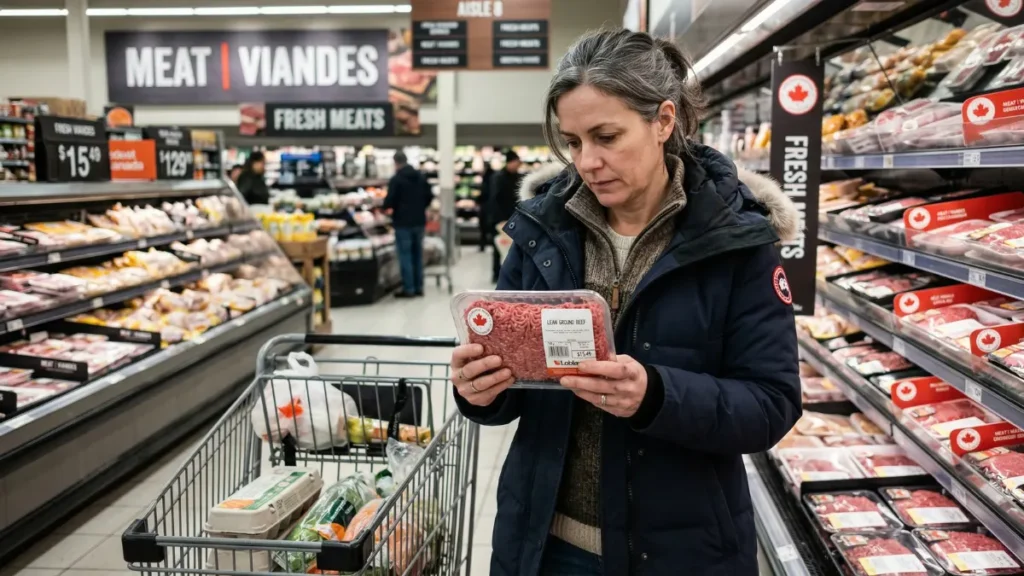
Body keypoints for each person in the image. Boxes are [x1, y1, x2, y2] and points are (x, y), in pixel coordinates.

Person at [450, 28, 801, 576]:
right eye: (573, 142)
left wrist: (656, 395)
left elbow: (771, 404)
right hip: (543, 545)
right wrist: (482, 390)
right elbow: (515, 389)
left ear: (663, 121)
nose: (587, 161)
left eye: (606, 136)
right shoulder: (543, 232)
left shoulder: (738, 242)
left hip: (681, 553)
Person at [384, 150, 432, 298]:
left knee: (405, 255)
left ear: (396, 162)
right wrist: (421, 207)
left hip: (403, 222)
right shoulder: (420, 177)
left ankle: (409, 288)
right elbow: (429, 196)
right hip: (419, 221)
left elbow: (389, 201)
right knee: (418, 254)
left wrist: (386, 208)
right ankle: (419, 287)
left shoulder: (396, 179)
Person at [487, 151, 524, 282]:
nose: (518, 165)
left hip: (516, 218)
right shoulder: (498, 178)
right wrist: (500, 219)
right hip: (501, 219)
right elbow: (495, 199)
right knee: (499, 248)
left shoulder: (519, 177)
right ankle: (497, 274)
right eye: (516, 162)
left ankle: (512, 274)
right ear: (510, 162)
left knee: (513, 248)